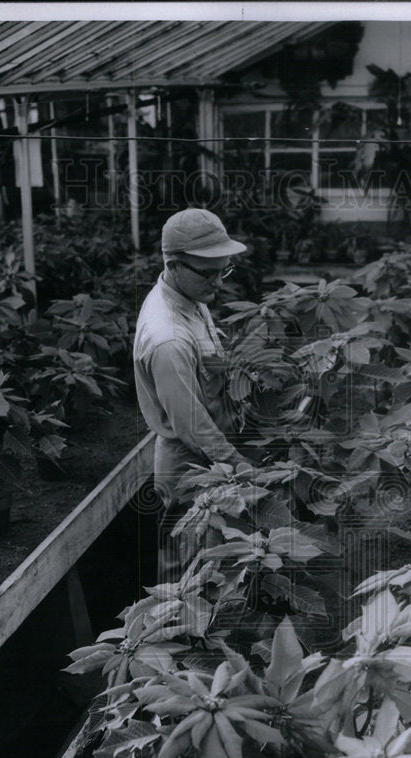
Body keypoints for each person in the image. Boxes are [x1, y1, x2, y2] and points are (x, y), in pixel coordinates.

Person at [133, 208, 248, 580]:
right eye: (209, 274)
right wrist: (239, 465)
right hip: (188, 462)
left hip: (206, 451)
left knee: (215, 553)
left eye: (224, 271)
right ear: (174, 264)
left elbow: (207, 359)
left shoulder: (191, 295)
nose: (219, 283)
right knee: (186, 565)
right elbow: (191, 424)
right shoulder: (167, 338)